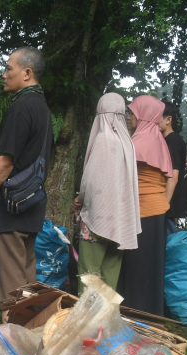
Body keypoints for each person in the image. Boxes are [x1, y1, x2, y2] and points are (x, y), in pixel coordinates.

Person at [0, 47, 52, 318]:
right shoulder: (42, 108)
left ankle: (13, 346)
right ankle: (31, 338)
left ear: (27, 73)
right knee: (25, 281)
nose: (4, 74)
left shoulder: (21, 108)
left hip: (11, 207)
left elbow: (4, 163)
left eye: (9, 68)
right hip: (31, 204)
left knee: (11, 290)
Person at [74, 93, 141, 293]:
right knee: (110, 278)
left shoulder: (103, 139)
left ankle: (86, 322)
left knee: (89, 276)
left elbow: (92, 181)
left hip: (98, 219)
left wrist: (80, 198)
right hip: (119, 222)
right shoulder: (127, 142)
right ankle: (106, 322)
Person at [119, 95, 175, 316]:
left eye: (133, 113)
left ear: (143, 115)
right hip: (155, 210)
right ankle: (150, 314)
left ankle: (137, 314)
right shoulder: (157, 140)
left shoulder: (140, 142)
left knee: (138, 268)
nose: (129, 117)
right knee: (151, 268)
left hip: (143, 212)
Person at [160, 100, 187, 235]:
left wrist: (163, 206)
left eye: (157, 117)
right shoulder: (172, 140)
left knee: (168, 248)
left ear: (168, 119)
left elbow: (173, 176)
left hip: (170, 209)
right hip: (174, 208)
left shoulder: (173, 141)